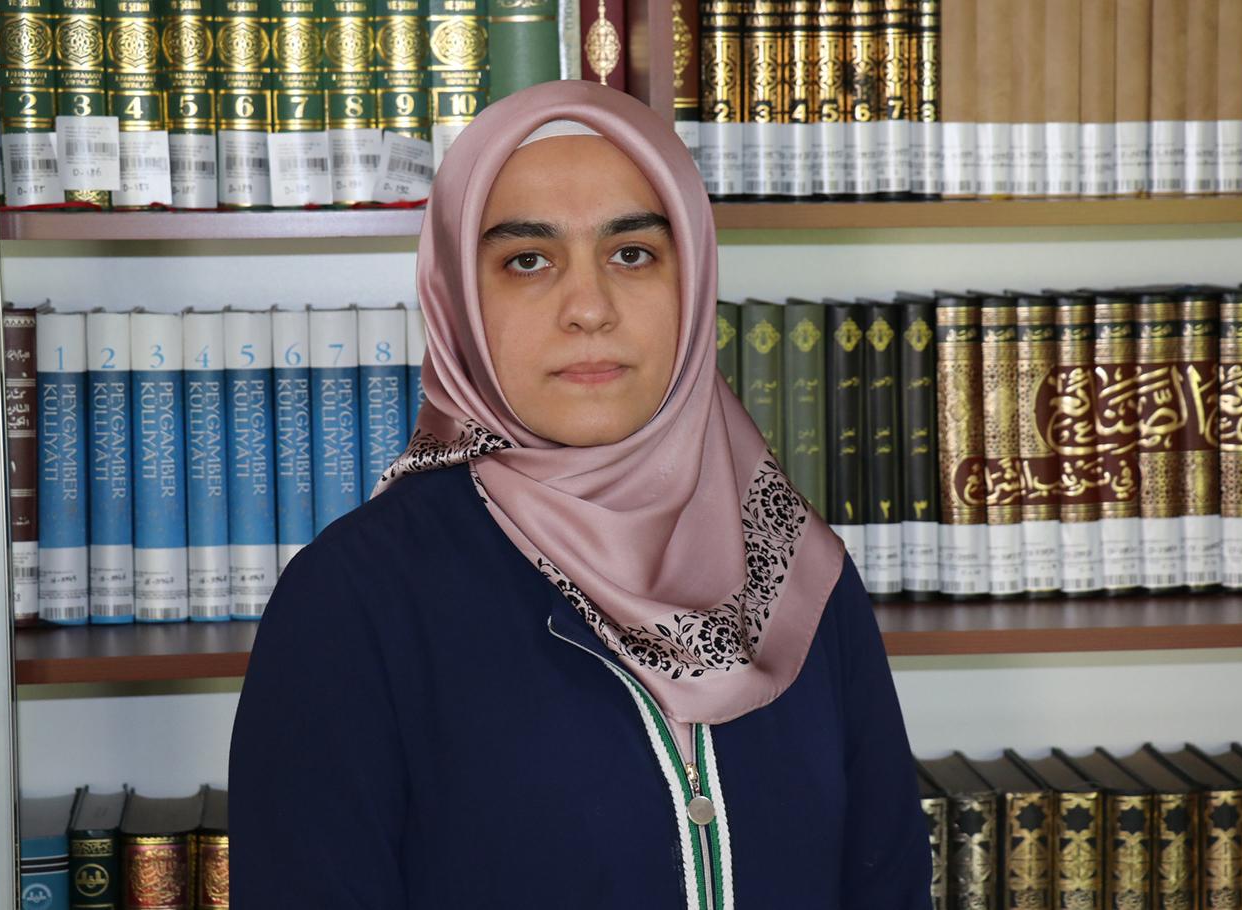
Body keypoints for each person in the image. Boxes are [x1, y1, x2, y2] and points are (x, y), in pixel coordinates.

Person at [229, 80, 931, 908]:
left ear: (694, 281)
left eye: (632, 253)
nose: (589, 309)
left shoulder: (799, 567)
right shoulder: (354, 601)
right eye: (528, 261)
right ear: (458, 301)